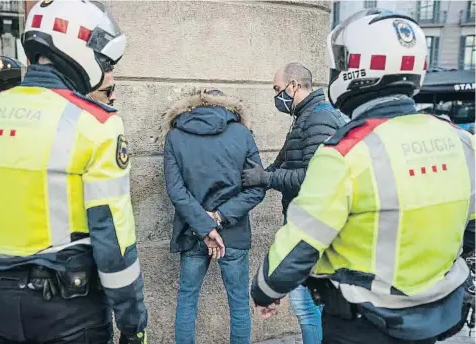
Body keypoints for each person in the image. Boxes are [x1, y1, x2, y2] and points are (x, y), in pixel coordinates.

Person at [250, 8, 475, 344]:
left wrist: (264, 289)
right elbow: (469, 229)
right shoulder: (460, 140)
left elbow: (299, 246)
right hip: (439, 319)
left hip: (364, 323)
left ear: (357, 68)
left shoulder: (345, 152)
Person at [0, 1, 148, 343]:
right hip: (70, 314)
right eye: (105, 61)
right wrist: (133, 325)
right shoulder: (96, 124)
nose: (109, 74)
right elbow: (113, 244)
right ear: (79, 49)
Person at [241, 62, 348, 343]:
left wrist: (266, 178)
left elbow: (314, 177)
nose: (276, 96)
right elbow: (286, 162)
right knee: (310, 306)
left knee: (307, 307)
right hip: (306, 222)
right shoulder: (304, 118)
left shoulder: (318, 119)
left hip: (314, 227)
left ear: (294, 86)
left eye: (278, 89)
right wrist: (262, 173)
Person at [160, 89, 266, 344]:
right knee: (239, 302)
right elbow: (257, 187)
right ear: (227, 108)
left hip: (193, 230)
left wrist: (205, 225)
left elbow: (176, 191)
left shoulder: (175, 135)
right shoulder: (242, 134)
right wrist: (218, 217)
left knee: (187, 298)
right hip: (233, 230)